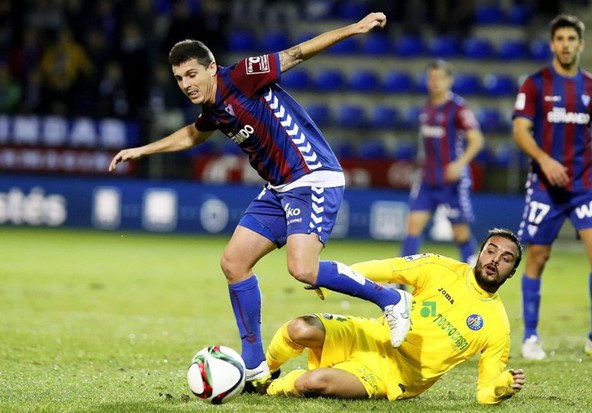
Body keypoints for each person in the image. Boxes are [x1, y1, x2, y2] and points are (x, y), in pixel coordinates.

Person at [107, 12, 412, 388]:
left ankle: (391, 301)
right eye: (179, 78)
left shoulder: (241, 76)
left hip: (312, 175)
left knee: (302, 268)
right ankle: (254, 367)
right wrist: (141, 150)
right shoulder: (213, 108)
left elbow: (296, 54)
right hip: (279, 189)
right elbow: (192, 136)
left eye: (191, 75)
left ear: (211, 68)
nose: (186, 84)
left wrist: (354, 28)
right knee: (234, 262)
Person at [260, 228, 525, 404]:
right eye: (491, 250)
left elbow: (486, 392)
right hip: (373, 335)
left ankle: (270, 389)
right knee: (300, 328)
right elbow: (386, 268)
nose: (494, 259)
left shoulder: (496, 327)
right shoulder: (441, 267)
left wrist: (504, 385)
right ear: (480, 252)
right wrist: (334, 280)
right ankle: (261, 374)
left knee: (312, 382)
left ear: (511, 272)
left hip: (394, 376)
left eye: (506, 258)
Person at [512, 14, 592, 361]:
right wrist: (544, 160)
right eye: (559, 39)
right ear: (552, 45)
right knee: (538, 258)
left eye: (571, 39)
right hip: (545, 188)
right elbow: (519, 130)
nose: (565, 44)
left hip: (584, 187)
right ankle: (530, 336)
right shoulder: (536, 84)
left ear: (581, 44)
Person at [401, 59, 484, 266]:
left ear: (450, 81)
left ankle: (472, 274)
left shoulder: (458, 108)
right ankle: (401, 281)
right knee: (413, 226)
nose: (434, 82)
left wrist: (460, 164)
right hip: (428, 179)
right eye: (431, 78)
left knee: (460, 233)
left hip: (452, 182)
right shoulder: (426, 109)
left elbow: (477, 140)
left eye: (439, 78)